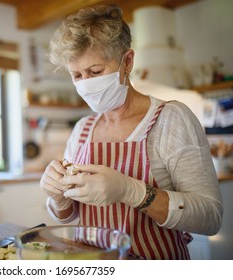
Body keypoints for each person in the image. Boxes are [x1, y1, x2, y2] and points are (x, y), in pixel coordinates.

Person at [39, 4, 223, 260]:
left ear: (127, 61)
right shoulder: (82, 130)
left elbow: (210, 217)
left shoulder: (171, 119)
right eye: (77, 75)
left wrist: (131, 192)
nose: (86, 84)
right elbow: (71, 214)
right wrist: (58, 198)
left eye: (95, 72)